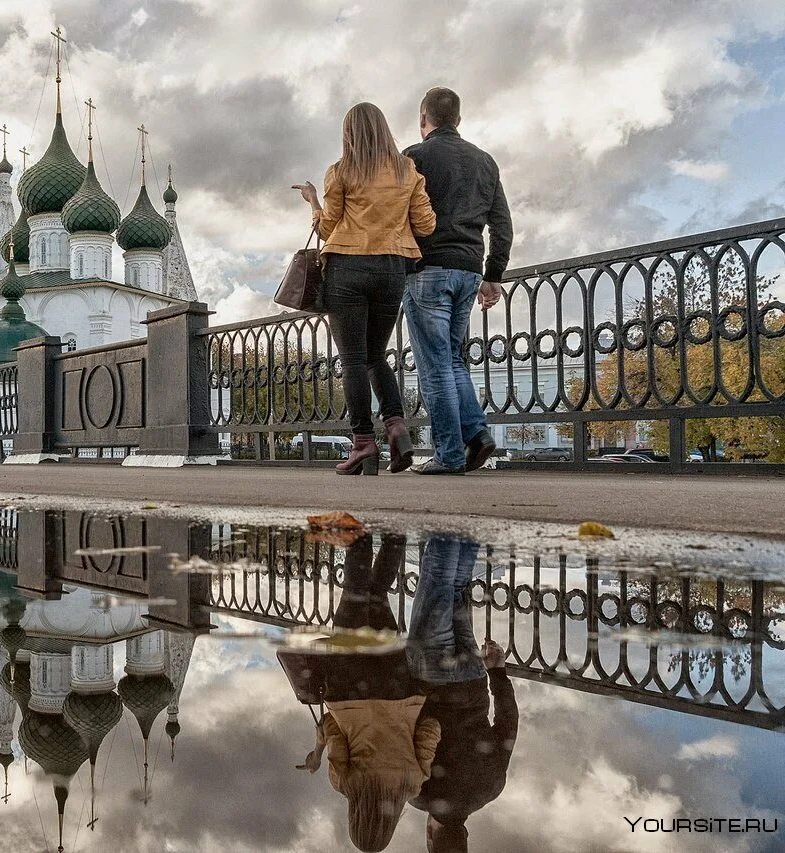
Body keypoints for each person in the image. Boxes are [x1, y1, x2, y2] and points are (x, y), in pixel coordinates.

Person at [294, 103, 436, 476]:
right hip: (392, 268)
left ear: (349, 134)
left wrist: (312, 200)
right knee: (376, 354)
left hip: (347, 268)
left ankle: (363, 443)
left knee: (354, 359)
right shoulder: (408, 170)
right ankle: (396, 425)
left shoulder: (342, 171)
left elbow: (327, 227)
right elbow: (426, 224)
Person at [281, 531, 439, 851]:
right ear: (354, 817)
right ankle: (358, 535)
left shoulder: (413, 782)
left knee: (378, 595)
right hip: (350, 683)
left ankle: (395, 532)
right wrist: (318, 749)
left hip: (396, 683)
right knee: (355, 595)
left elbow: (432, 728)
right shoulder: (344, 784)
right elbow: (332, 730)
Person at [402, 87, 513, 475]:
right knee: (453, 359)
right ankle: (478, 436)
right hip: (469, 270)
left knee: (434, 366)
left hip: (427, 270)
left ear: (423, 119)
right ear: (459, 120)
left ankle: (448, 454)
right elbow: (502, 225)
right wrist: (493, 274)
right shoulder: (485, 162)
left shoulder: (413, 159)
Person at [404, 534, 517, 852]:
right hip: (431, 677)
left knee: (455, 588)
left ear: (465, 838)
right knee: (436, 580)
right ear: (430, 836)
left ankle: (467, 527)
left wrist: (497, 673)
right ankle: (448, 515)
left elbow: (508, 723)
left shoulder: (490, 789)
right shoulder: (418, 794)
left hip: (472, 679)